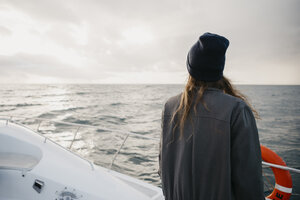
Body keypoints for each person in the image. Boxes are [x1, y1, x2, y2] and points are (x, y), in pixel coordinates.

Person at [159, 32, 265, 200]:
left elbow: (163, 166)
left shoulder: (170, 106)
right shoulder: (236, 109)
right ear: (218, 70)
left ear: (190, 68)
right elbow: (249, 180)